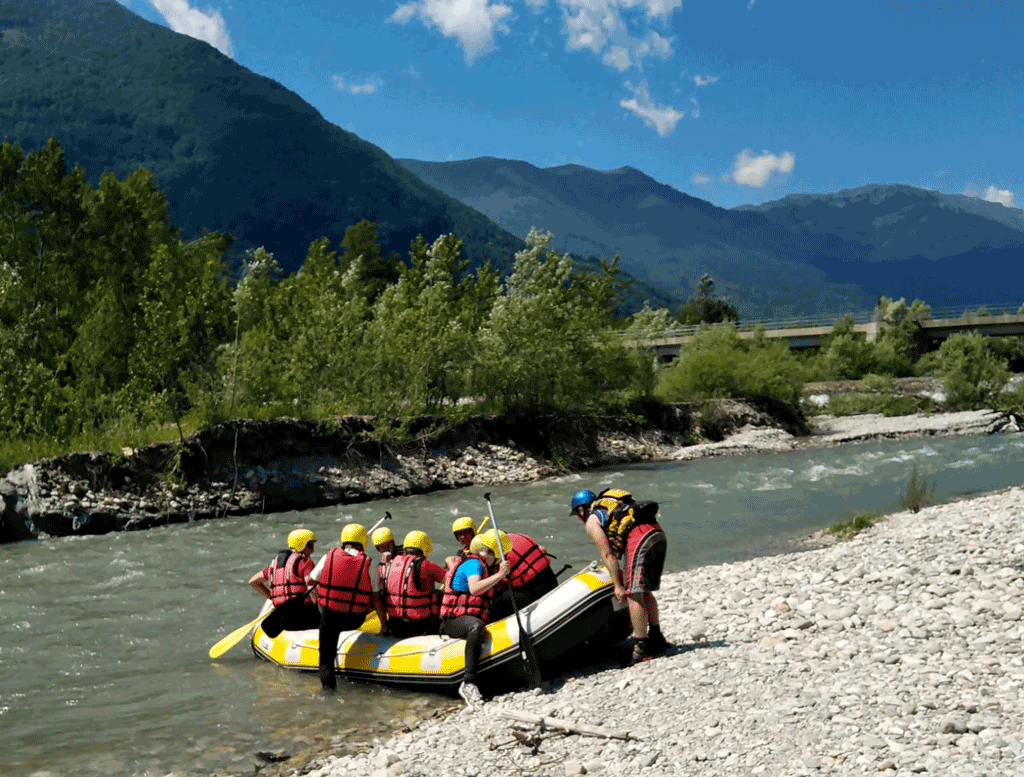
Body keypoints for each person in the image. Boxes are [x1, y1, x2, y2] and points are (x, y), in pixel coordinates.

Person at [570, 488, 668, 665]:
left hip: (640, 537)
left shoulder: (592, 520)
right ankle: (656, 637)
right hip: (657, 534)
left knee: (633, 592)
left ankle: (642, 647)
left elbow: (607, 554)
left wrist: (618, 585)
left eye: (577, 515)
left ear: (581, 510)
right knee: (643, 589)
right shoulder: (615, 507)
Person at [307, 523, 388, 690]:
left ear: (343, 540)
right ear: (363, 542)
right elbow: (376, 598)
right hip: (355, 619)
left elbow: (310, 581)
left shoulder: (328, 556)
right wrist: (384, 626)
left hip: (330, 615)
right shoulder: (369, 563)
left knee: (325, 659)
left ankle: (329, 693)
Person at [440, 534, 510, 706]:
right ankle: (469, 683)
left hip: (468, 615)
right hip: (453, 621)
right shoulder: (474, 564)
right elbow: (475, 589)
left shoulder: (482, 564)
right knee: (476, 626)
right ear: (492, 554)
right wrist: (501, 574)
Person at [247, 528, 320, 637]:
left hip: (284, 620)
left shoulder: (274, 566)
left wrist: (272, 597)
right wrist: (321, 610)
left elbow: (253, 582)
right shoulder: (305, 562)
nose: (312, 550)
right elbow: (311, 587)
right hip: (305, 616)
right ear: (301, 545)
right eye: (310, 546)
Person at [382, 530, 446, 638]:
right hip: (420, 626)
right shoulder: (426, 565)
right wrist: (451, 562)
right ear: (426, 547)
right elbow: (453, 580)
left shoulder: (390, 563)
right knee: (443, 595)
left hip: (395, 625)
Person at [486, 529, 558, 621]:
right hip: (550, 579)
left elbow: (497, 586)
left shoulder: (499, 556)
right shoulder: (521, 536)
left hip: (531, 592)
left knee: (495, 602)